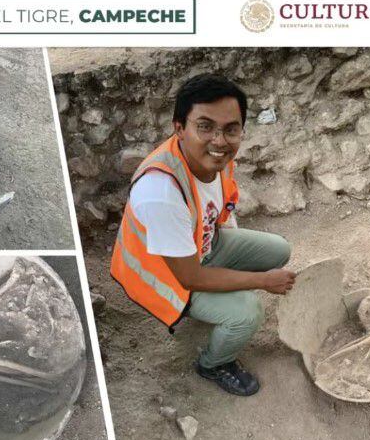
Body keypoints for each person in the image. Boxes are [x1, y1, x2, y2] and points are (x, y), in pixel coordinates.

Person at [110, 73, 295, 396]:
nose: (220, 140)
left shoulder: (215, 159)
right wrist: (262, 281)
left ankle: (221, 301)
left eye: (230, 129)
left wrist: (236, 272)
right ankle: (213, 364)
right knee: (248, 313)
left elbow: (220, 212)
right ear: (179, 128)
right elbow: (189, 277)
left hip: (203, 248)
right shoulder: (161, 191)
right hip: (168, 280)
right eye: (205, 126)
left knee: (278, 249)